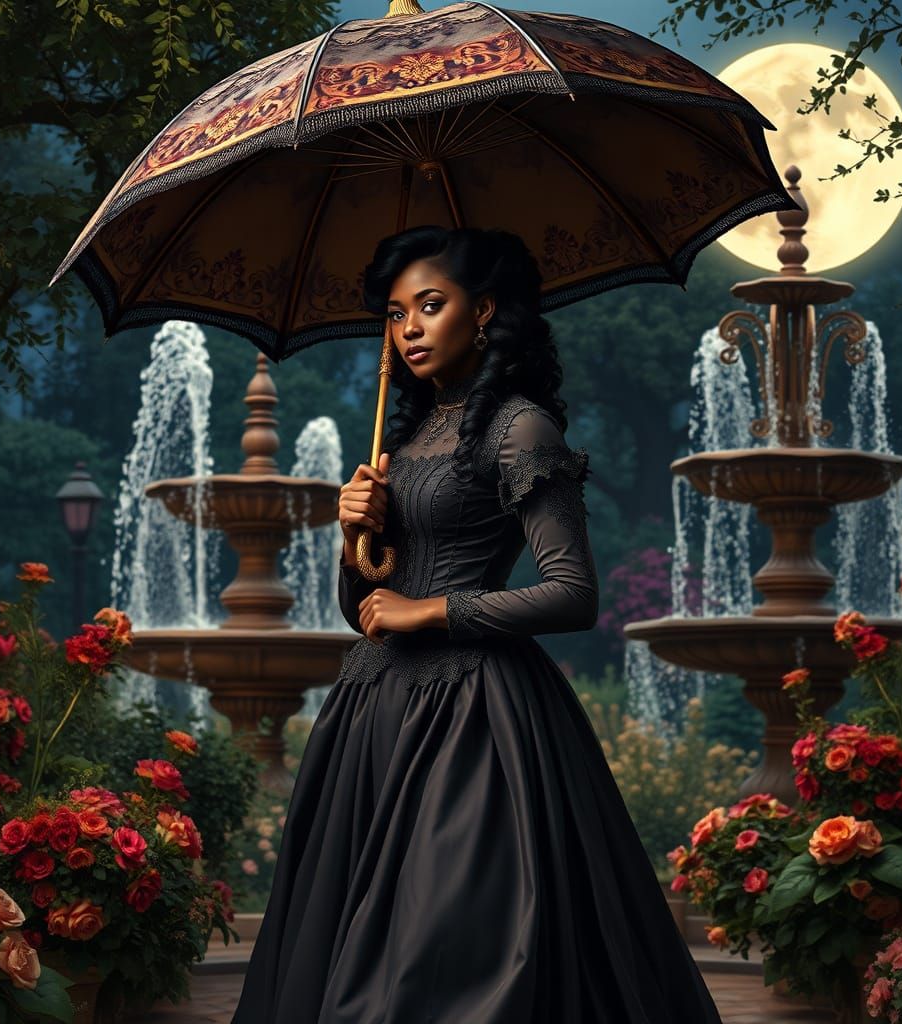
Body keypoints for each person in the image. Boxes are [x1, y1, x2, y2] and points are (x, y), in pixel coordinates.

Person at [231, 226, 723, 1024]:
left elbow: (573, 594)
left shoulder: (519, 429)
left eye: (431, 305)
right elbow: (362, 614)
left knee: (446, 950)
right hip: (372, 719)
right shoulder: (401, 440)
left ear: (484, 310)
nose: (411, 329)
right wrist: (352, 536)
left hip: (473, 725)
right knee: (346, 944)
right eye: (396, 314)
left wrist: (434, 610)